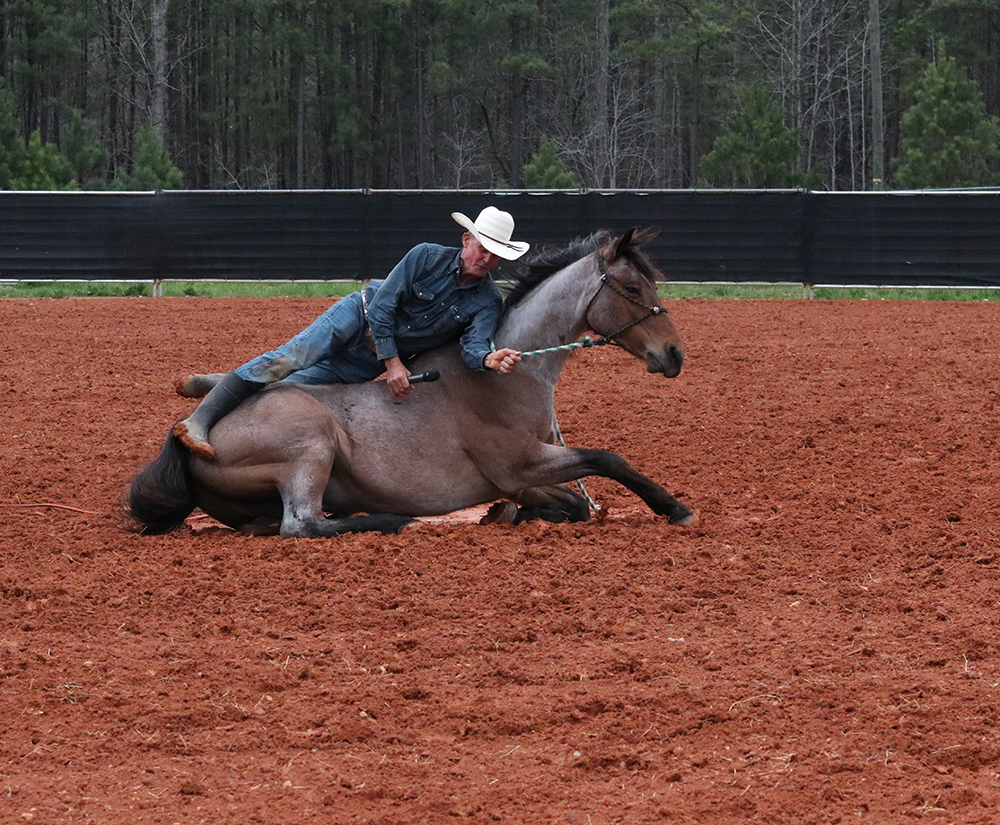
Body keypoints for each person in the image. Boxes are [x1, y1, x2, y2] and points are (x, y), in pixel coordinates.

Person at [173, 206, 529, 460]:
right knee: (291, 358)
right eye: (483, 249)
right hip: (357, 317)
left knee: (301, 386)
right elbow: (382, 306)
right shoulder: (425, 257)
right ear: (467, 240)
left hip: (369, 357)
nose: (486, 260)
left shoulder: (487, 301)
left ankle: (224, 383)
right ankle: (198, 421)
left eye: (495, 256)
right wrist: (392, 363)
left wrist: (488, 359)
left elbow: (474, 346)